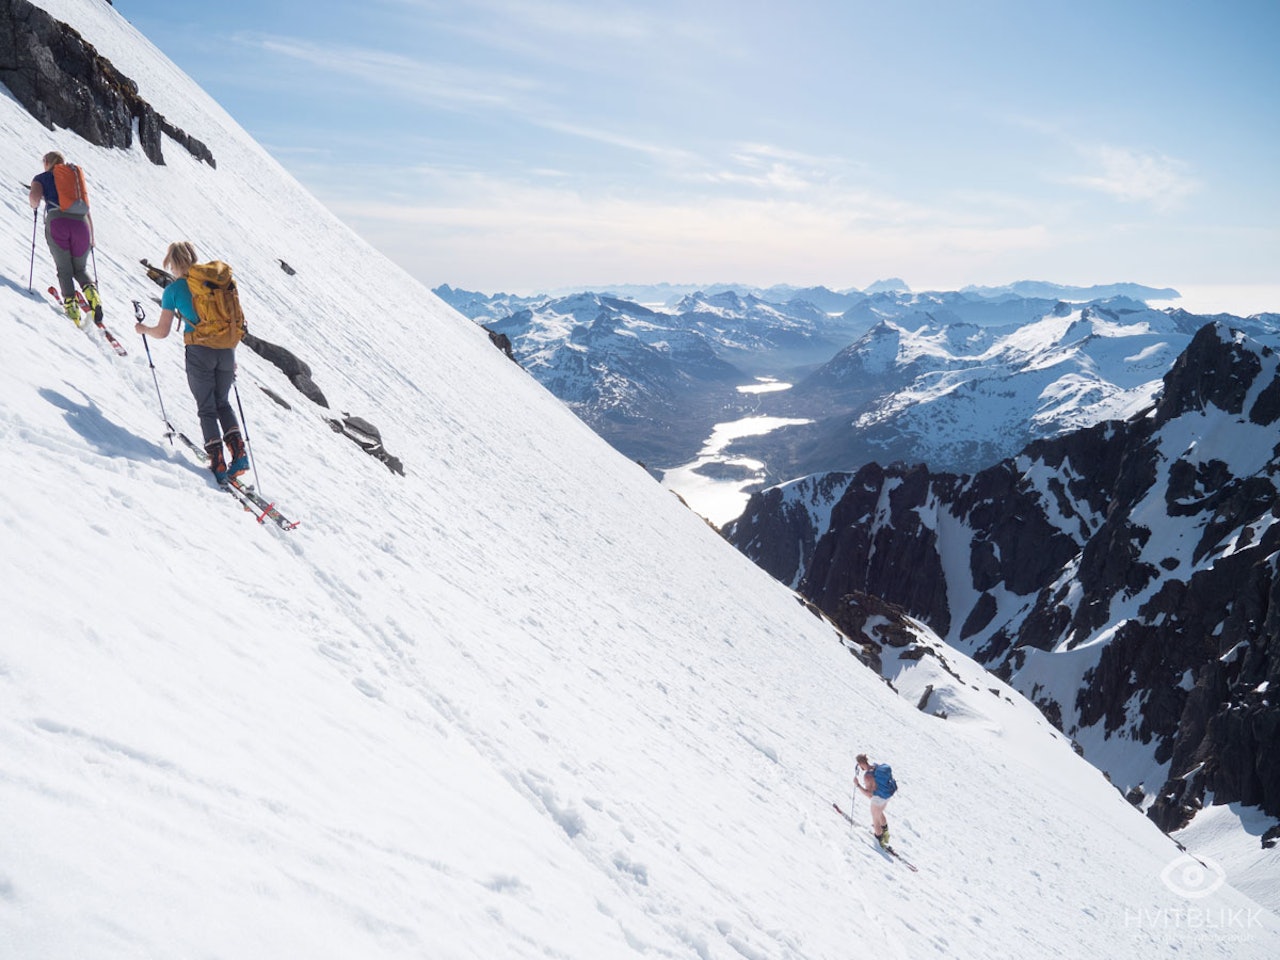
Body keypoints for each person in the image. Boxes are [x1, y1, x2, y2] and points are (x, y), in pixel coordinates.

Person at [134, 241, 249, 484]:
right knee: (222, 402)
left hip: (199, 352)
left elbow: (163, 332)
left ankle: (218, 462)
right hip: (226, 350)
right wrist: (229, 352)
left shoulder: (173, 291)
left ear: (172, 264)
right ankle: (239, 455)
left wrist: (144, 329)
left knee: (206, 407)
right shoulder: (213, 284)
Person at [29, 151, 101, 326]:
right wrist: (91, 237)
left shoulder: (43, 177)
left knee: (64, 269)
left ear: (47, 162)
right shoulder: (73, 179)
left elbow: (34, 198)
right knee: (80, 268)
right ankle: (93, 295)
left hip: (58, 222)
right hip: (82, 225)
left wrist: (35, 205)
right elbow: (87, 210)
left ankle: (72, 308)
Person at [854, 753, 897, 849]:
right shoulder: (876, 767)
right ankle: (886, 834)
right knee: (879, 813)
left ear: (861, 764)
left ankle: (879, 840)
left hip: (878, 799)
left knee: (875, 819)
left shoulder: (867, 776)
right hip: (886, 796)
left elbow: (869, 794)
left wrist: (858, 785)